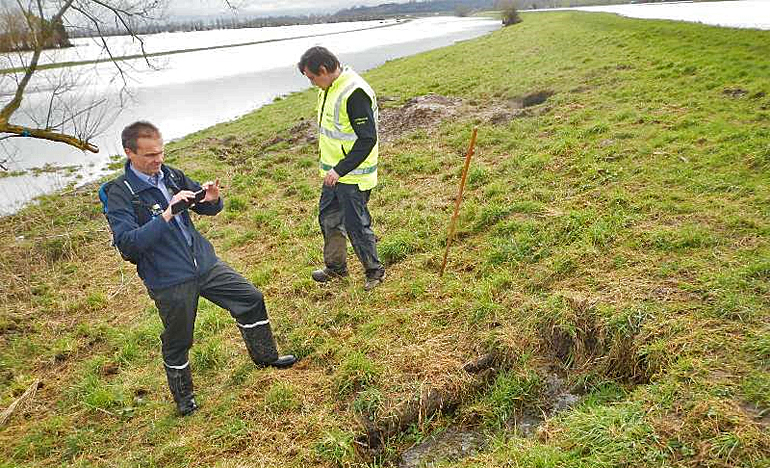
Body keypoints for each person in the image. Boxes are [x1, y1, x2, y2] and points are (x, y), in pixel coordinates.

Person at [105, 121, 296, 416]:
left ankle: (266, 358)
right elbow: (129, 246)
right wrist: (168, 213)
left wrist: (212, 199)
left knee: (251, 299)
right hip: (168, 279)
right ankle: (184, 398)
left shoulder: (169, 174)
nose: (158, 160)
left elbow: (204, 206)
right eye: (149, 155)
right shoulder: (120, 192)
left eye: (161, 152)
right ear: (129, 153)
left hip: (204, 264)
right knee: (179, 338)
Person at [298, 46, 386, 291]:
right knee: (328, 219)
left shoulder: (354, 92)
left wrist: (341, 169)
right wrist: (333, 170)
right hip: (334, 174)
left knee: (356, 224)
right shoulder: (329, 88)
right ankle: (336, 268)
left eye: (313, 78)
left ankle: (374, 271)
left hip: (353, 175)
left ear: (324, 70)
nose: (313, 83)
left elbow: (367, 139)